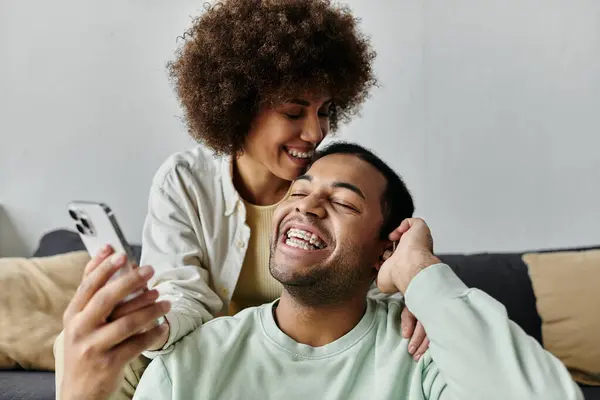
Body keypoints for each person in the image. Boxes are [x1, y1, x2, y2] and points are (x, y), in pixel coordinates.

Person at [54, 1, 428, 398]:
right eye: (293, 113)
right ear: (240, 107)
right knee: (78, 346)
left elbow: (353, 287)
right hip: (200, 361)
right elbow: (181, 294)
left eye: (324, 111)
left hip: (298, 366)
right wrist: (155, 326)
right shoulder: (185, 181)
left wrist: (421, 294)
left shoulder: (327, 191)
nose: (315, 132)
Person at [60, 142, 583, 400]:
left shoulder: (421, 356)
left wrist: (422, 273)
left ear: (386, 251)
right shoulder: (191, 364)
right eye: (301, 190)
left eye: (344, 203)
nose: (306, 207)